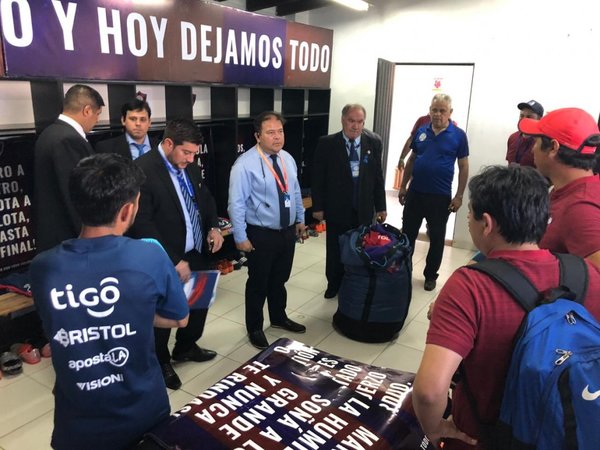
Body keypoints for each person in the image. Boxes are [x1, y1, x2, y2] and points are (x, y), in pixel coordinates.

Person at [412, 165, 600, 449]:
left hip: (482, 436)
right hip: (565, 433)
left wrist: (435, 427)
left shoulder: (470, 286)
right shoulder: (587, 274)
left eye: (470, 216)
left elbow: (429, 391)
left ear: (486, 224)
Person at [30, 154, 190, 450]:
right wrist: (136, 312)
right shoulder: (150, 255)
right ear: (128, 210)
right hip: (141, 410)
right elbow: (180, 318)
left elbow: (62, 320)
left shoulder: (43, 267)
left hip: (77, 418)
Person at [128, 118, 222, 390]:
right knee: (165, 314)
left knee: (198, 303)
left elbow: (205, 199)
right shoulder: (143, 170)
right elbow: (142, 224)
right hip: (165, 258)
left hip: (197, 251)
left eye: (194, 153)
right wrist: (173, 260)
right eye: (186, 152)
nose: (191, 159)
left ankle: (187, 346)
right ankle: (161, 361)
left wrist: (214, 226)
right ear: (169, 143)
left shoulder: (189, 167)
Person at [228, 111, 307, 349]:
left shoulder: (287, 159)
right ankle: (254, 327)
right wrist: (240, 237)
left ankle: (279, 317)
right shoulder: (244, 165)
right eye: (270, 132)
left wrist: (300, 219)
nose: (277, 137)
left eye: (280, 131)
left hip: (286, 231)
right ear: (257, 136)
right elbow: (236, 204)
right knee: (258, 283)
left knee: (280, 279)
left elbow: (294, 192)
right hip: (261, 232)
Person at [311, 104, 387, 299]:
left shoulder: (373, 142)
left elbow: (378, 177)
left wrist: (381, 206)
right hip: (337, 207)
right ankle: (333, 283)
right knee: (336, 248)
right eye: (352, 121)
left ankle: (355, 283)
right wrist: (317, 206)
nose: (355, 126)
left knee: (360, 246)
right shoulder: (327, 143)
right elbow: (318, 177)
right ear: (343, 120)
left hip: (363, 207)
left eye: (360, 122)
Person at [398, 93, 469, 291]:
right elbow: (412, 159)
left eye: (442, 111)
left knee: (437, 238)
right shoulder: (422, 131)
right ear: (429, 110)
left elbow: (463, 166)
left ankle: (430, 276)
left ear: (450, 113)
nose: (437, 114)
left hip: (440, 197)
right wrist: (403, 186)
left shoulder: (459, 136)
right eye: (434, 110)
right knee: (408, 235)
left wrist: (459, 196)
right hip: (415, 194)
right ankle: (403, 272)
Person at [519, 107, 600, 268]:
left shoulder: (580, 209)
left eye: (536, 142)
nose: (533, 148)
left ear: (553, 148)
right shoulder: (566, 190)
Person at [33, 84, 105, 252]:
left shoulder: (50, 133)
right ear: (87, 110)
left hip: (52, 235)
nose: (97, 120)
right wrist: (91, 240)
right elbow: (76, 196)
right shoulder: (68, 140)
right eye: (97, 114)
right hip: (68, 239)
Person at [505, 99, 544, 167]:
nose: (524, 119)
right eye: (521, 116)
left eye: (529, 117)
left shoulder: (544, 143)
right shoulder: (512, 137)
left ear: (539, 119)